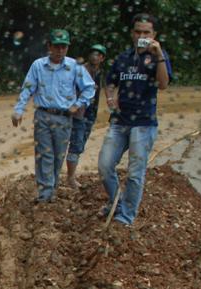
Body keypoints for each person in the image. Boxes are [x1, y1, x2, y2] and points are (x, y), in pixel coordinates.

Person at [97, 14, 172, 225]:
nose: (142, 36)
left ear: (154, 35)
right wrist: (111, 98)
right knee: (104, 165)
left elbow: (164, 84)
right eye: (138, 31)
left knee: (135, 173)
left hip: (144, 123)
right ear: (132, 33)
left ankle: (126, 216)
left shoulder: (159, 57)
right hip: (120, 121)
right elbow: (110, 82)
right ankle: (116, 202)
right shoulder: (123, 58)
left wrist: (158, 55)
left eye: (146, 32)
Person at [12, 29, 96, 203]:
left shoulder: (74, 67)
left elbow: (89, 88)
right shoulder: (38, 66)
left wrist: (78, 104)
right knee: (44, 154)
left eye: (63, 47)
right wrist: (19, 109)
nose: (60, 50)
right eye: (56, 46)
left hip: (64, 118)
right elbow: (28, 88)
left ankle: (52, 188)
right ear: (49, 46)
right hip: (43, 115)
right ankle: (45, 193)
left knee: (58, 155)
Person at [64, 44, 108, 190]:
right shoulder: (80, 70)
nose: (95, 57)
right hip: (78, 112)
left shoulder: (100, 72)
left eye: (98, 55)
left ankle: (70, 175)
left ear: (102, 58)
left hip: (90, 112)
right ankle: (70, 178)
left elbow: (107, 88)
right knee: (75, 144)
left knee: (80, 143)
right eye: (93, 54)